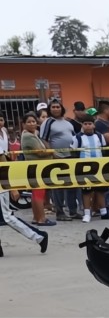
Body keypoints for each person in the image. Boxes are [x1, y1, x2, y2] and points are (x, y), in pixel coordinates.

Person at [0, 112, 50, 258]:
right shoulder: (3, 133)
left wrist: (12, 186)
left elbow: (3, 160)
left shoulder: (3, 133)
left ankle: (38, 236)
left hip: (1, 179)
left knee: (7, 216)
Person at [40, 99, 79, 221]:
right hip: (57, 157)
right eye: (53, 107)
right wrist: (52, 153)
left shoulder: (67, 122)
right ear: (49, 109)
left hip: (70, 155)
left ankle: (73, 211)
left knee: (72, 184)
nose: (56, 109)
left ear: (61, 108)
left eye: (58, 107)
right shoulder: (48, 122)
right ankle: (60, 212)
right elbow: (44, 139)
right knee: (58, 186)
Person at [70, 114, 109, 223]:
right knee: (86, 191)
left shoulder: (100, 136)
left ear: (94, 125)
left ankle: (103, 211)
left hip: (99, 166)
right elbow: (74, 152)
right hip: (84, 168)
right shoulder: (77, 137)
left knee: (100, 190)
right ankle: (87, 213)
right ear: (82, 125)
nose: (88, 126)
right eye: (85, 124)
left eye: (90, 124)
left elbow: (103, 150)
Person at [20, 112, 56, 226]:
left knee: (36, 193)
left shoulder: (32, 134)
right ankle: (41, 219)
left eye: (33, 121)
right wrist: (51, 152)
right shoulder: (28, 136)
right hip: (37, 167)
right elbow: (41, 151)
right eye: (29, 122)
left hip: (35, 167)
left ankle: (37, 218)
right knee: (39, 194)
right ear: (23, 124)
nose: (32, 124)